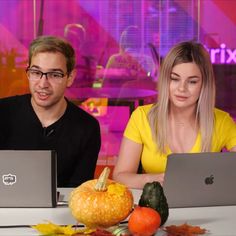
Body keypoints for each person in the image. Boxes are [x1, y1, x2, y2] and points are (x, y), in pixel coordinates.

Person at [112, 41, 236, 189]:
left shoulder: (222, 121)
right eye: (175, 79)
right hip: (154, 207)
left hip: (204, 209)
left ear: (204, 84)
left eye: (192, 81)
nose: (182, 88)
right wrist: (154, 180)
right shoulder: (141, 117)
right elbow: (120, 177)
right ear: (165, 80)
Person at [0, 35, 101, 187]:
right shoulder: (3, 113)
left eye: (54, 75)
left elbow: (79, 192)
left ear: (70, 77)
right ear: (28, 73)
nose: (43, 83)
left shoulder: (87, 127)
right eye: (36, 72)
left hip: (62, 210)